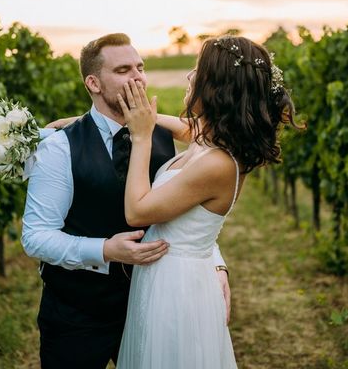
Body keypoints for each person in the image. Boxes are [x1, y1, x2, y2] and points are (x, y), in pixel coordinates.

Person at [20, 33, 230, 369]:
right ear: (94, 83)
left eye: (140, 67)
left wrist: (216, 263)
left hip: (152, 307)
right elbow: (35, 237)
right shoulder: (59, 147)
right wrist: (104, 250)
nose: (137, 77)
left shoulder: (162, 137)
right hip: (78, 315)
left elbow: (184, 212)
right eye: (122, 70)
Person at [114, 36, 300, 368]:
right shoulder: (208, 137)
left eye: (196, 71)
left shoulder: (219, 165)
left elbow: (137, 211)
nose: (188, 77)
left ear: (217, 88)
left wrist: (141, 137)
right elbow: (183, 128)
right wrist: (78, 126)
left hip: (178, 287)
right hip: (163, 275)